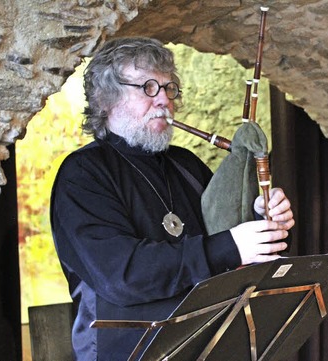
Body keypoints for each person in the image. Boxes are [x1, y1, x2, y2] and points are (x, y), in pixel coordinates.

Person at [50, 37, 295, 360]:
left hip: (208, 344)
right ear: (105, 99)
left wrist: (262, 216)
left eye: (169, 88)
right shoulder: (83, 173)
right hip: (128, 352)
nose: (164, 100)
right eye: (148, 87)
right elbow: (121, 275)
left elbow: (229, 242)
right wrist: (231, 245)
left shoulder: (185, 164)